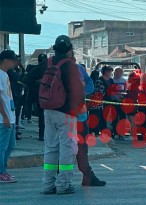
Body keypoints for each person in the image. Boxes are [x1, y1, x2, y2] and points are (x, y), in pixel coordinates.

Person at [40, 35, 84, 195]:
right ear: (70, 49)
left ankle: (47, 185)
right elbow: (78, 90)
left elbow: (28, 78)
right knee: (68, 148)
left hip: (48, 111)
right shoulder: (70, 65)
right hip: (66, 113)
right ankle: (63, 185)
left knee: (50, 148)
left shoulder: (48, 62)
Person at [75, 62, 106, 186]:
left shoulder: (52, 67)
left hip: (59, 115)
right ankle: (87, 176)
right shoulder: (78, 69)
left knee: (59, 149)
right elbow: (90, 87)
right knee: (81, 148)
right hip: (78, 115)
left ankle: (53, 181)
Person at [0, 50, 18, 183]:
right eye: (13, 60)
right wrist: (5, 116)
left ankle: (3, 170)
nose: (15, 63)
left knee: (11, 145)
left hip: (10, 116)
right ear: (5, 60)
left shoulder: (5, 74)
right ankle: (1, 172)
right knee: (2, 146)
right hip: (3, 118)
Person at [23, 54, 47, 141]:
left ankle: (43, 134)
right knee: (42, 115)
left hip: (47, 96)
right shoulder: (37, 69)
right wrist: (36, 83)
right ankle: (42, 134)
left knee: (44, 115)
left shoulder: (53, 68)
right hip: (40, 95)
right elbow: (26, 80)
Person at [88, 65, 114, 136]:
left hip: (91, 103)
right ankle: (97, 131)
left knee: (92, 117)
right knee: (98, 117)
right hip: (99, 103)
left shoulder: (90, 82)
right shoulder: (99, 81)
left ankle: (91, 130)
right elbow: (102, 92)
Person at [7, 57, 25, 140]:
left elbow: (23, 75)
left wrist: (22, 67)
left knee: (16, 114)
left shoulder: (16, 70)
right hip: (12, 95)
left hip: (17, 94)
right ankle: (13, 132)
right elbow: (15, 81)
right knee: (13, 114)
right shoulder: (10, 70)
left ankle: (15, 130)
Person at [124, 70, 140, 140]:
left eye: (129, 78)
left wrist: (125, 95)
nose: (128, 79)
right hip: (132, 104)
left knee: (132, 120)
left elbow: (131, 95)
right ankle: (132, 135)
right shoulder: (133, 86)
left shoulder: (134, 86)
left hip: (132, 105)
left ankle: (133, 135)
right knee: (131, 120)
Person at [111, 67, 127, 139]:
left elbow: (125, 90)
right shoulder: (112, 80)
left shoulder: (123, 81)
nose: (118, 74)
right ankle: (115, 132)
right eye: (116, 72)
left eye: (120, 72)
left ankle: (122, 133)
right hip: (114, 101)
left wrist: (123, 95)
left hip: (122, 101)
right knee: (114, 118)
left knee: (122, 117)